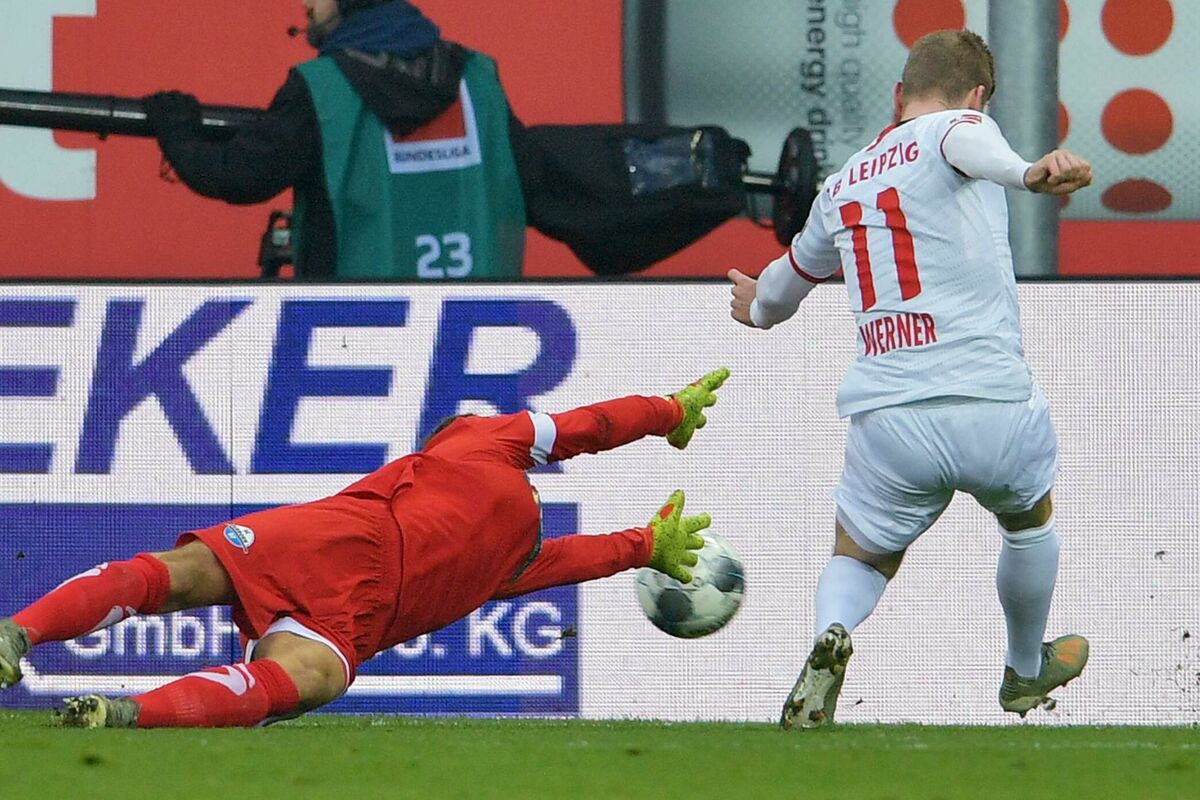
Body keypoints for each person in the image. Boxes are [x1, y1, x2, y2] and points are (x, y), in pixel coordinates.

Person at [0, 369, 729, 728]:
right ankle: (17, 634)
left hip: (357, 616)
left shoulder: (511, 565)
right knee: (185, 575)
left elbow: (578, 559)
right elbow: (590, 425)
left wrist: (645, 545)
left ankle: (124, 714)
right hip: (345, 540)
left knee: (307, 682)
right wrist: (666, 411)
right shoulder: (483, 441)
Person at [726, 30, 1093, 729]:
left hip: (890, 415)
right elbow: (974, 147)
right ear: (977, 97)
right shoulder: (959, 128)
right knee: (1028, 520)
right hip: (992, 401)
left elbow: (782, 288)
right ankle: (1023, 669)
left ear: (899, 94)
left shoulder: (843, 183)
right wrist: (1029, 174)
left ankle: (832, 634)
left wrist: (757, 305)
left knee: (861, 556)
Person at [142, 0, 526, 279]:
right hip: (471, 336)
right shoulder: (477, 78)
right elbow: (539, 185)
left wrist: (177, 129)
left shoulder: (322, 88)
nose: (305, 3)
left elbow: (239, 175)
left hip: (349, 331)